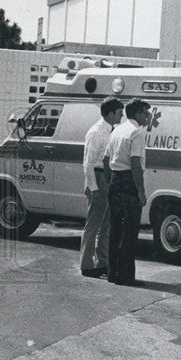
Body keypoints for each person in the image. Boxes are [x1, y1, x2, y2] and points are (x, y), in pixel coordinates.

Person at [102, 98, 152, 287]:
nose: (148, 117)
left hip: (115, 180)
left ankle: (112, 273)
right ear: (138, 114)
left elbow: (106, 160)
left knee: (115, 229)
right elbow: (135, 164)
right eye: (146, 114)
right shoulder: (136, 133)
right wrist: (140, 191)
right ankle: (126, 276)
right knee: (130, 231)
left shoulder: (117, 130)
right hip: (129, 182)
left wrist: (110, 181)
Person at [79, 97, 125, 278]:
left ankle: (102, 263)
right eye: (120, 113)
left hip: (107, 176)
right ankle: (87, 265)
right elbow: (88, 162)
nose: (121, 117)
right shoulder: (96, 132)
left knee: (105, 225)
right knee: (93, 225)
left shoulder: (112, 131)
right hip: (98, 177)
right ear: (111, 113)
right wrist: (93, 186)